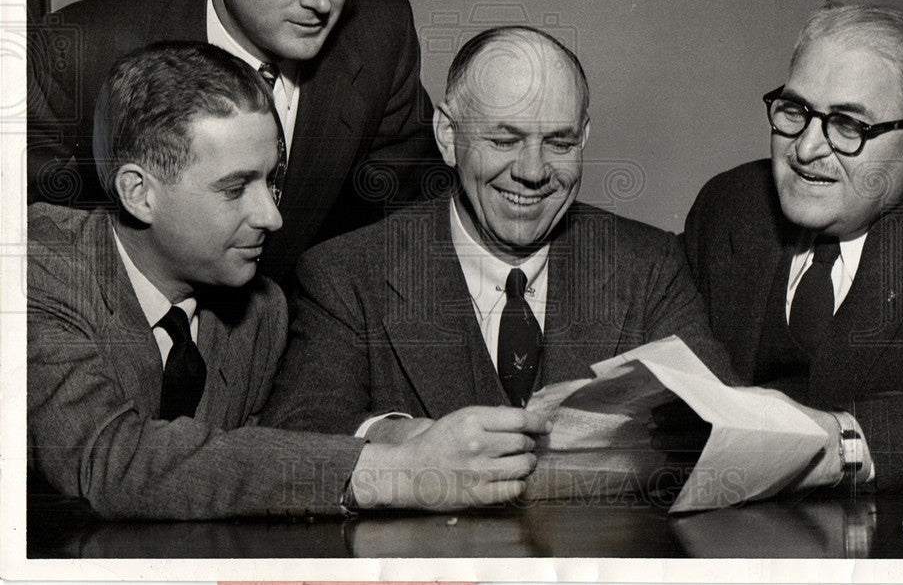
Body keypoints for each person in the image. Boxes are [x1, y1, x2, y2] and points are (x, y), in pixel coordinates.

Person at [28, 42, 548, 520]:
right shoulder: (36, 268)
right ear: (139, 193)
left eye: (271, 180)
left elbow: (257, 463)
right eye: (235, 189)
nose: (273, 218)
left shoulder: (260, 310)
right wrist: (391, 471)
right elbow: (107, 459)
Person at [260, 25, 738, 438]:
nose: (532, 171)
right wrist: (405, 439)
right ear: (448, 135)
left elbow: (725, 422)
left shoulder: (650, 266)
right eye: (504, 140)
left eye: (559, 142)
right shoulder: (346, 275)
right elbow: (299, 432)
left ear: (584, 137)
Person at [27, 0, 440, 285]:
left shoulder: (381, 32)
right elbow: (29, 237)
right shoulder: (82, 50)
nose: (321, 1)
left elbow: (407, 219)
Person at [684, 4, 903, 490]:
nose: (804, 149)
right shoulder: (730, 205)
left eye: (848, 125)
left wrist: (846, 444)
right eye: (796, 112)